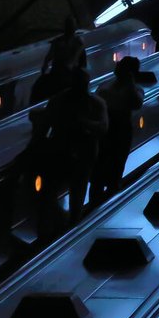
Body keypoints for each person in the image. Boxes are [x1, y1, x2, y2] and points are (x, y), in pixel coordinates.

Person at [29, 67, 107, 235]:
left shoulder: (59, 101)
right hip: (74, 153)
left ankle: (57, 228)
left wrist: (36, 145)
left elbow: (43, 127)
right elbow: (102, 127)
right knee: (71, 193)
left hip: (69, 152)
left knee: (55, 193)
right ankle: (68, 227)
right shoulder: (94, 103)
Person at [91, 56, 143, 206]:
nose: (117, 67)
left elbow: (136, 103)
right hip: (118, 130)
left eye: (120, 66)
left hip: (114, 131)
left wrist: (130, 84)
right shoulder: (107, 87)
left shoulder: (107, 88)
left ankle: (100, 202)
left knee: (106, 169)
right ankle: (105, 202)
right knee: (108, 169)